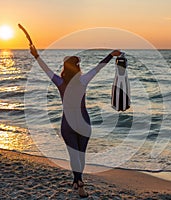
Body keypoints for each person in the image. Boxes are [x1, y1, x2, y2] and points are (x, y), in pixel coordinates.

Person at [29, 45, 121, 197]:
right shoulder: (84, 80)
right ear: (77, 68)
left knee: (73, 156)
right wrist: (111, 55)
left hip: (68, 123)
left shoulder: (59, 82)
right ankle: (79, 181)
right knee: (81, 155)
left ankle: (78, 181)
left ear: (65, 69)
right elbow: (99, 67)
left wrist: (36, 56)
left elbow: (46, 70)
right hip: (84, 122)